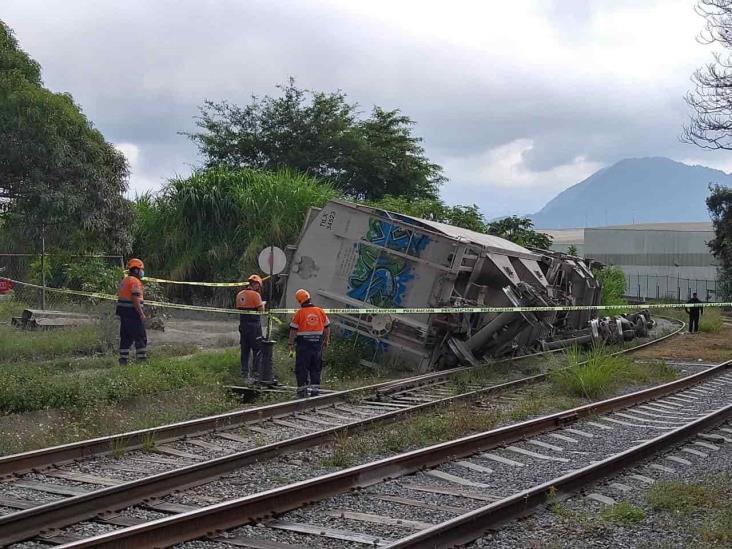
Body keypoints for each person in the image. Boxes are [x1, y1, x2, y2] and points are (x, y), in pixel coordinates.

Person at [288, 289, 330, 398]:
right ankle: (315, 392)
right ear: (309, 298)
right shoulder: (320, 311)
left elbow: (293, 330)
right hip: (317, 345)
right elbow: (327, 328)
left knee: (302, 368)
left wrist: (290, 343)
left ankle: (302, 392)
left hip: (304, 345)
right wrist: (326, 340)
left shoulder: (299, 313)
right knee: (315, 367)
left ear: (299, 301)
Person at [116, 258, 147, 365]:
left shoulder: (125, 280)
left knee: (125, 337)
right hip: (133, 313)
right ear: (136, 270)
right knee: (140, 336)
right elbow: (135, 298)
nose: (142, 272)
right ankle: (142, 360)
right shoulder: (135, 281)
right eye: (141, 269)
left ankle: (123, 360)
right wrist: (141, 313)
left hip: (123, 313)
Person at [236, 274, 265, 382]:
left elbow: (239, 308)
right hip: (254, 326)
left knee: (245, 350)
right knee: (257, 349)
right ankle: (256, 373)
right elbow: (261, 311)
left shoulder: (240, 294)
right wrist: (263, 304)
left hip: (243, 325)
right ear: (256, 284)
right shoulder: (256, 295)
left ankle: (244, 374)